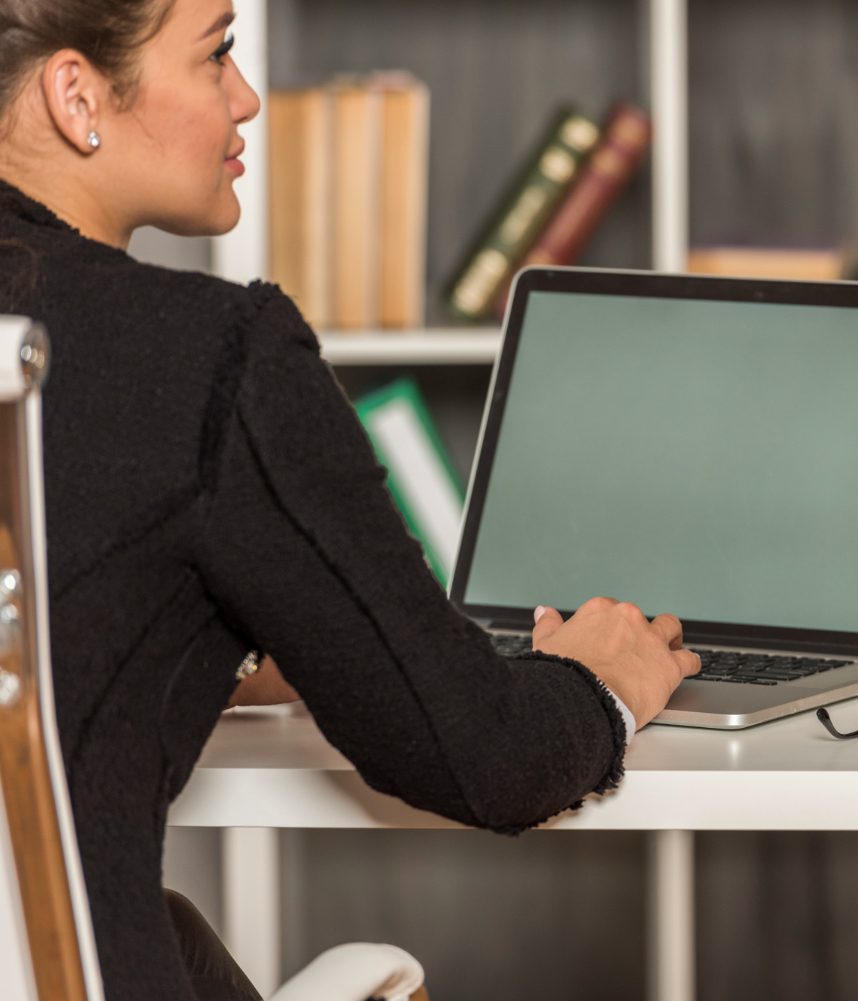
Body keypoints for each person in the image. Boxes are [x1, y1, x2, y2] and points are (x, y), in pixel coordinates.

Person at [0, 0, 700, 998]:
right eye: (216, 55)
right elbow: (484, 755)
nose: (246, 99)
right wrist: (605, 682)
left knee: (176, 934)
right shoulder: (206, 357)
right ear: (77, 96)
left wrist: (214, 643)